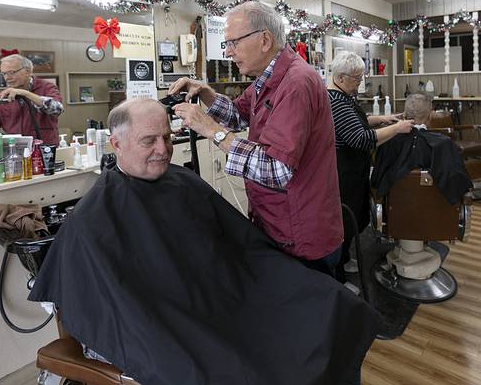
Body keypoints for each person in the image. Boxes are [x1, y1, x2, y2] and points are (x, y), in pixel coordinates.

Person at [29, 99, 383, 385]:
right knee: (231, 366)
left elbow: (238, 243)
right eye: (149, 141)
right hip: (168, 318)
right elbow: (109, 301)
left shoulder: (182, 182)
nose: (163, 149)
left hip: (223, 294)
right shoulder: (92, 218)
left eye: (167, 138)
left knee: (329, 301)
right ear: (116, 143)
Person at [169, 1, 343, 275]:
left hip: (300, 232)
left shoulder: (295, 84)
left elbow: (276, 169)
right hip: (276, 222)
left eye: (233, 43)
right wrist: (206, 93)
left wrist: (213, 130)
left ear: (264, 40)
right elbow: (239, 115)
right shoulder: (270, 79)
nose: (228, 52)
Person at [327, 51, 413, 281]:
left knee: (352, 218)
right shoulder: (336, 103)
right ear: (341, 77)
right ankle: (338, 277)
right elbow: (361, 139)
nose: (359, 83)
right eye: (356, 78)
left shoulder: (342, 97)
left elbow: (357, 123)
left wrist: (382, 119)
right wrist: (397, 128)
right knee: (344, 223)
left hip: (353, 170)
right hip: (344, 173)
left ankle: (345, 260)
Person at [371, 93, 472, 207]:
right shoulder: (444, 144)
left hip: (396, 211)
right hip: (438, 212)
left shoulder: (387, 141)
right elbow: (459, 185)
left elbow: (377, 181)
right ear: (429, 117)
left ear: (404, 115)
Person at [0, 54, 63, 145]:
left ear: (28, 71)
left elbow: (57, 109)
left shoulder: (46, 87)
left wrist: (25, 93)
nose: (7, 78)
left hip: (44, 147)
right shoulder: (4, 96)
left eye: (11, 72)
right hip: (15, 148)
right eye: (4, 74)